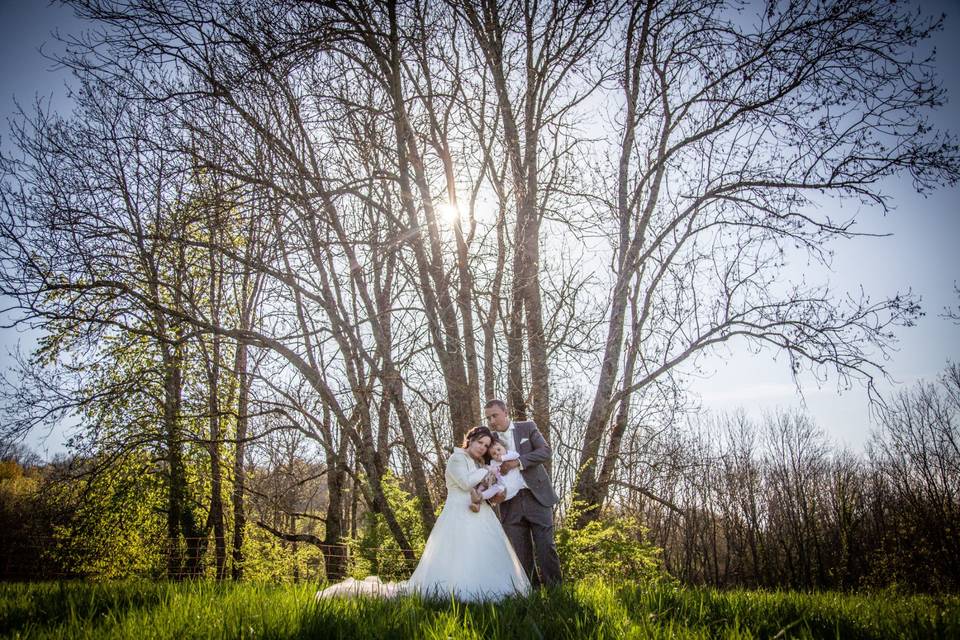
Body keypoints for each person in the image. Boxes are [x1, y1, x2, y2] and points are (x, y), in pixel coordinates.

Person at [317, 426, 531, 602]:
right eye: (479, 443)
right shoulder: (457, 459)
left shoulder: (478, 463)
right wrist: (487, 471)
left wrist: (494, 485)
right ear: (470, 440)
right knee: (459, 554)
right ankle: (459, 592)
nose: (482, 448)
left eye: (486, 445)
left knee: (486, 550)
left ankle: (494, 589)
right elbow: (466, 483)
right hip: (458, 512)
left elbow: (482, 487)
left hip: (481, 513)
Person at [483, 398, 562, 587]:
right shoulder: (488, 441)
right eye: (488, 418)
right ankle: (530, 594)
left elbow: (545, 452)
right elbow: (487, 473)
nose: (492, 421)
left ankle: (556, 593)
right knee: (520, 553)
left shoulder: (527, 427)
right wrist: (493, 495)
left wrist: (517, 462)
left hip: (537, 496)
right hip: (510, 502)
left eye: (495, 415)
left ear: (506, 412)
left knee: (546, 547)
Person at [469, 437, 522, 512]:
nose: (497, 453)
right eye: (494, 454)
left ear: (504, 447)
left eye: (499, 449)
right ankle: (477, 503)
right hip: (499, 484)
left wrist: (503, 458)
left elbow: (516, 455)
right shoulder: (494, 461)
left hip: (509, 487)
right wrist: (488, 468)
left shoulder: (510, 454)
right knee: (484, 484)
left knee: (495, 488)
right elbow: (491, 469)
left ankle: (480, 497)